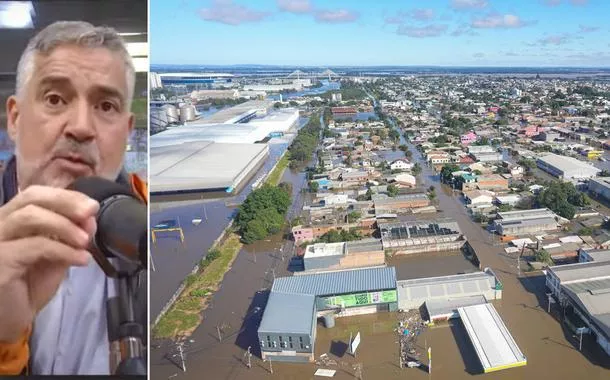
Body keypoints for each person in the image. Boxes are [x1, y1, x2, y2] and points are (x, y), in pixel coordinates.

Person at [0, 21, 147, 375]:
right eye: (55, 99)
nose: (81, 126)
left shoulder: (148, 225)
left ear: (127, 131)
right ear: (15, 118)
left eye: (106, 106)